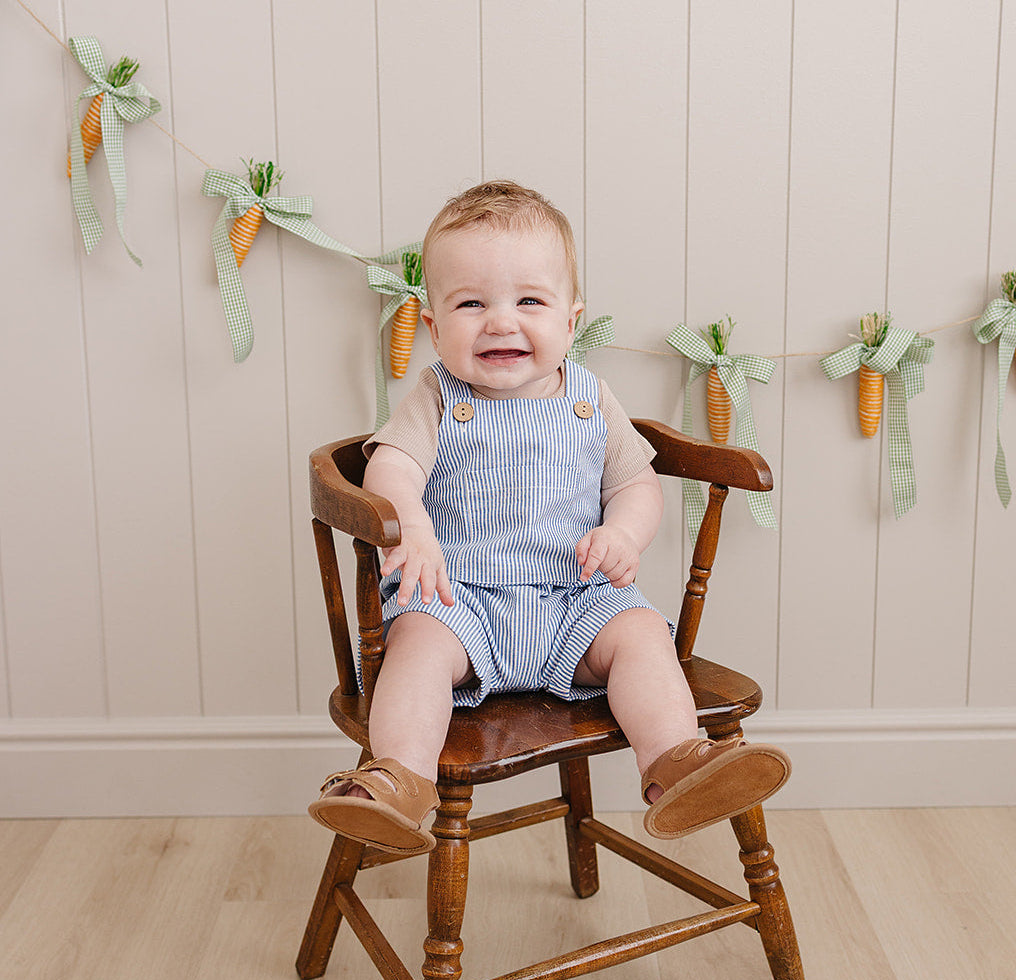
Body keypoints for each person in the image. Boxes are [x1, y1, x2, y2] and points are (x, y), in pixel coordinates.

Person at [309, 180, 790, 854]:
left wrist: (623, 532)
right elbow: (392, 467)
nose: (501, 322)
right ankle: (397, 781)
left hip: (574, 602)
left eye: (529, 301)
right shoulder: (438, 396)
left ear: (571, 320)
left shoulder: (592, 397)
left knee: (642, 636)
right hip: (460, 604)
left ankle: (674, 764)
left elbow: (636, 484)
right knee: (414, 654)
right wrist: (412, 529)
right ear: (432, 325)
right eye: (470, 303)